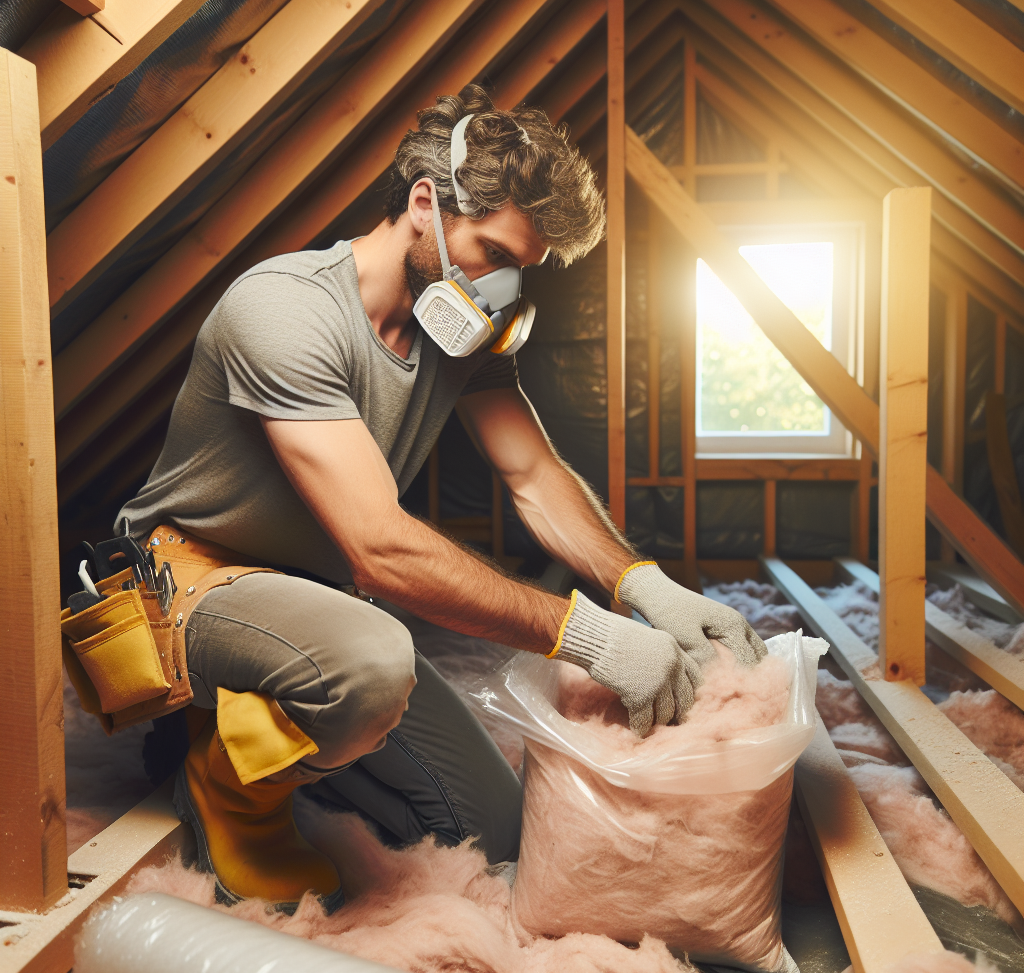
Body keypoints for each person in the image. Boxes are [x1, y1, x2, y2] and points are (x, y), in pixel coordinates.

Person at [114, 84, 767, 913]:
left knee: (490, 831)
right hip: (190, 588)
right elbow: (379, 549)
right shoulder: (283, 310)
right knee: (373, 663)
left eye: (520, 271)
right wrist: (594, 638)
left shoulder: (454, 327)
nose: (501, 289)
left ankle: (274, 735)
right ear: (426, 203)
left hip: (314, 604)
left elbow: (532, 476)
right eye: (493, 254)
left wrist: (643, 586)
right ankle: (218, 774)